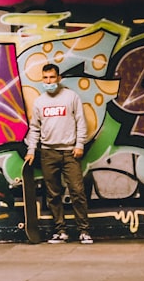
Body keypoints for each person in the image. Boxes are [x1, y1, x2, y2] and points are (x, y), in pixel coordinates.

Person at [24, 63, 93, 244]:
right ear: (42, 79)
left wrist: (79, 145)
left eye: (52, 77)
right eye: (45, 78)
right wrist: (31, 150)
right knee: (53, 194)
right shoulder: (40, 102)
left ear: (59, 78)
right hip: (48, 152)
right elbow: (35, 129)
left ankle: (84, 231)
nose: (49, 81)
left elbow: (81, 122)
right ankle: (60, 231)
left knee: (77, 191)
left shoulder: (71, 97)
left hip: (70, 152)